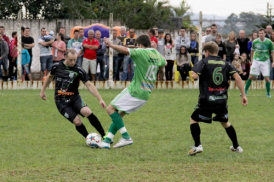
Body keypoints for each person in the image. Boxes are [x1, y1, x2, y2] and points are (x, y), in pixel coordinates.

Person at [97, 35, 166, 149]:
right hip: (146, 94)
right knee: (119, 114)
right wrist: (155, 49)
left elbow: (125, 50)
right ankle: (107, 140)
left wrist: (110, 45)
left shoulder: (141, 52)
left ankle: (126, 137)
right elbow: (163, 63)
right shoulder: (156, 54)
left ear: (140, 45)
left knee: (110, 109)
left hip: (135, 90)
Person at [188, 41, 248, 156]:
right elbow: (238, 79)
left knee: (193, 119)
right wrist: (243, 96)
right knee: (225, 122)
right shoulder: (225, 63)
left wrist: (194, 69)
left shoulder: (204, 61)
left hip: (207, 100)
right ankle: (237, 146)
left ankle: (197, 145)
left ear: (207, 52)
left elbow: (194, 76)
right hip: (221, 100)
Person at [40, 48, 107, 140]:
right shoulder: (56, 66)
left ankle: (104, 135)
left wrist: (100, 99)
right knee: (77, 121)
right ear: (65, 57)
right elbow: (49, 77)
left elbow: (89, 85)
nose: (73, 62)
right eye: (70, 60)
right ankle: (89, 139)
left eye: (75, 60)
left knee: (87, 112)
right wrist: (42, 90)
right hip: (61, 102)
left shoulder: (79, 70)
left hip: (74, 98)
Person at [245, 28, 274, 97]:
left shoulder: (269, 42)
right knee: (251, 76)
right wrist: (251, 60)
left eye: (262, 33)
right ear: (258, 34)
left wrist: (273, 61)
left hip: (265, 61)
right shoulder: (255, 42)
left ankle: (268, 93)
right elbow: (252, 50)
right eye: (260, 33)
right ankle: (245, 91)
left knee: (267, 78)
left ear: (265, 34)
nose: (261, 34)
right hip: (256, 61)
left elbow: (272, 52)